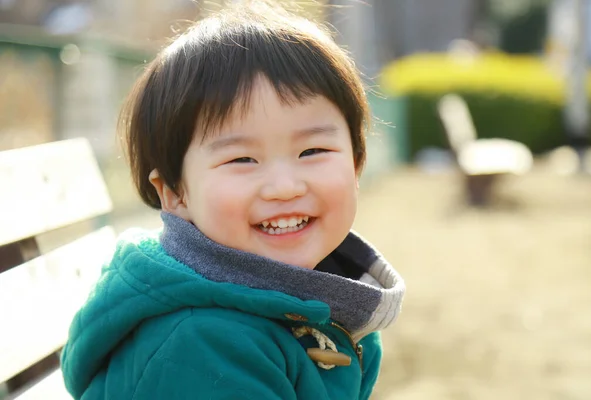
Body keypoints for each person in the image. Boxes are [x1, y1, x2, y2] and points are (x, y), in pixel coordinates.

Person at [61, 2, 405, 399]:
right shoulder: (203, 344)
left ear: (357, 163)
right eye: (242, 159)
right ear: (174, 193)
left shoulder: (325, 304)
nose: (284, 186)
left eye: (312, 151)